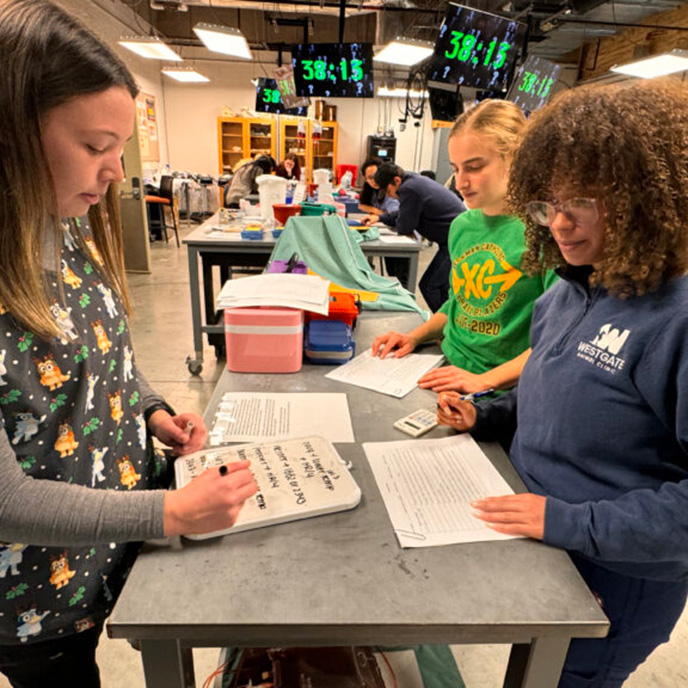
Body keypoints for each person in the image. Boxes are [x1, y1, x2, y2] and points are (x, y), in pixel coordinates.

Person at [0, 2, 257, 685]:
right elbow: (5, 500)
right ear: (11, 132)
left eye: (118, 148)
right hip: (32, 595)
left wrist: (150, 410)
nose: (117, 171)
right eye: (94, 147)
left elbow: (107, 354)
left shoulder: (65, 221)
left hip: (102, 550)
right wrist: (171, 510)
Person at [438, 80, 688, 687]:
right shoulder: (568, 290)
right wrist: (491, 414)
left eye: (584, 201)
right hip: (540, 539)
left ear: (649, 198)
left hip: (616, 575)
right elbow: (557, 397)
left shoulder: (677, 318)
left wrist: (569, 523)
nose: (557, 223)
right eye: (548, 201)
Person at [373, 101, 556, 393]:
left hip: (499, 391)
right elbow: (457, 304)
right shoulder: (462, 227)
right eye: (456, 169)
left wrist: (484, 381)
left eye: (474, 167)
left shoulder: (549, 233)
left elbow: (556, 341)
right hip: (446, 368)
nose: (460, 182)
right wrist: (415, 336)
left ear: (518, 158)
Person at [363, 162, 466, 312]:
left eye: (388, 190)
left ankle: (445, 328)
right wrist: (380, 218)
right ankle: (448, 326)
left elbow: (405, 225)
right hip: (454, 237)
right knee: (443, 288)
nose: (388, 194)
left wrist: (405, 222)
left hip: (457, 239)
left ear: (396, 180)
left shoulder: (409, 189)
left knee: (430, 286)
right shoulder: (411, 181)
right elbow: (404, 214)